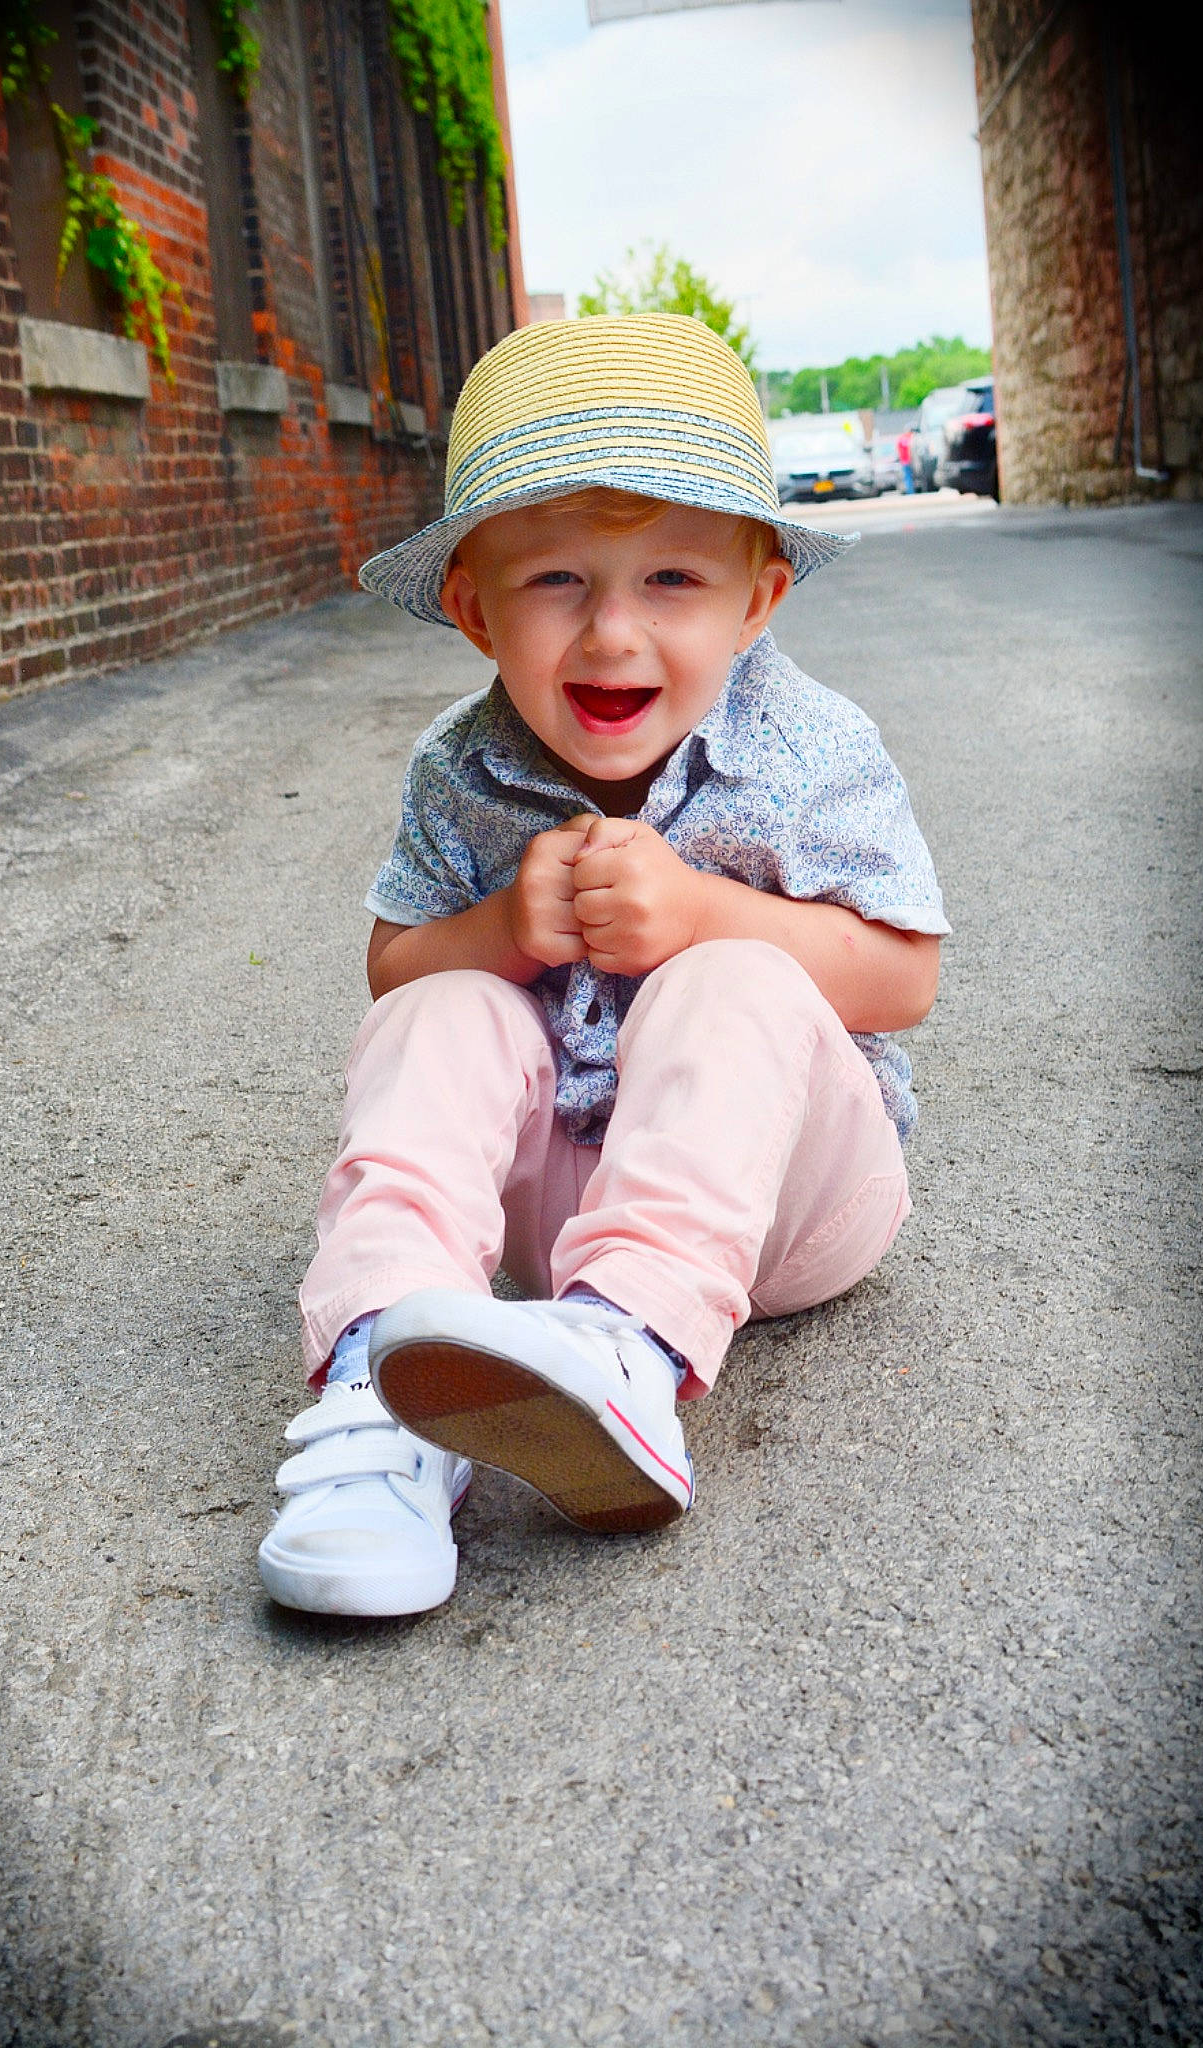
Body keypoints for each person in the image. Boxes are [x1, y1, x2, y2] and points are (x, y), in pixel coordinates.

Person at [258, 315, 948, 1617]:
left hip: (781, 1204)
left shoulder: (808, 748)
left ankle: (628, 1350)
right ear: (470, 608)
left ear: (758, 597)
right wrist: (495, 937)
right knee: (443, 1004)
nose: (612, 637)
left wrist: (699, 911)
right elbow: (389, 965)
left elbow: (901, 977)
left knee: (732, 979)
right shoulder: (460, 772)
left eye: (672, 583)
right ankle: (380, 1385)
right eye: (556, 583)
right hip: (540, 1217)